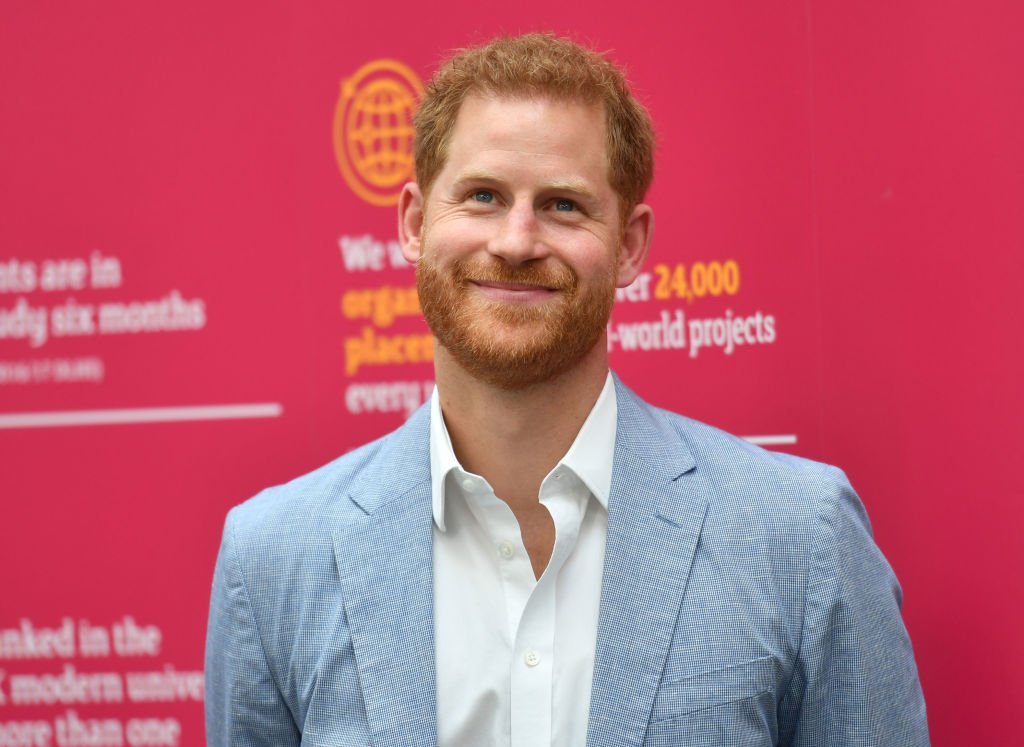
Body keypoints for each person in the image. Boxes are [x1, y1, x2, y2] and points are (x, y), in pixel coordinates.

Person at [205, 33, 930, 746]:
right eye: (483, 196)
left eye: (563, 205)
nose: (517, 241)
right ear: (417, 224)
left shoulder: (800, 538)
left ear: (629, 245)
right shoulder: (274, 557)